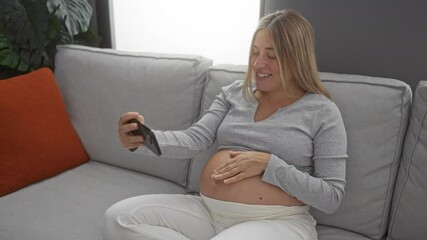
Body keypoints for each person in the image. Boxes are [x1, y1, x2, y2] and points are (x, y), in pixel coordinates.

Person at [103, 9, 347, 240]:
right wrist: (145, 139)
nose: (258, 64)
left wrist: (268, 165)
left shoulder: (322, 112)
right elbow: (194, 140)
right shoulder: (234, 93)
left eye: (272, 56)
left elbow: (331, 197)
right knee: (118, 218)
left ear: (297, 59)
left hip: (278, 220)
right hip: (208, 211)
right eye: (255, 52)